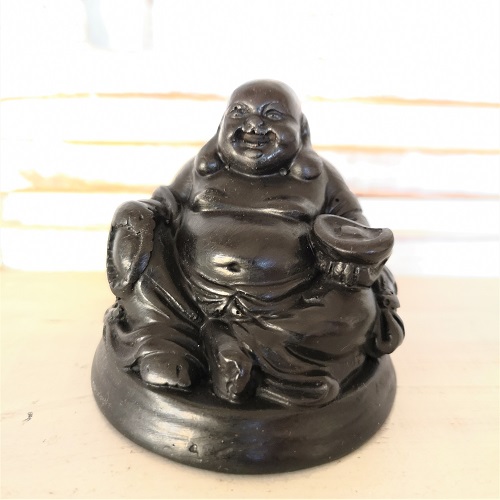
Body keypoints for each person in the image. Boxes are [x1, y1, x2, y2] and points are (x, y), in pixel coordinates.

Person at [104, 80, 404, 407]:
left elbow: (353, 223)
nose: (253, 125)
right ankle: (168, 345)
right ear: (221, 124)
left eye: (272, 115)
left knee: (358, 308)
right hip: (188, 295)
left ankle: (235, 346)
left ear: (301, 129)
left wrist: (352, 252)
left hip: (287, 302)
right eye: (239, 112)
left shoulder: (320, 178)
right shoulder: (199, 170)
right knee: (144, 256)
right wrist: (140, 215)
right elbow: (165, 205)